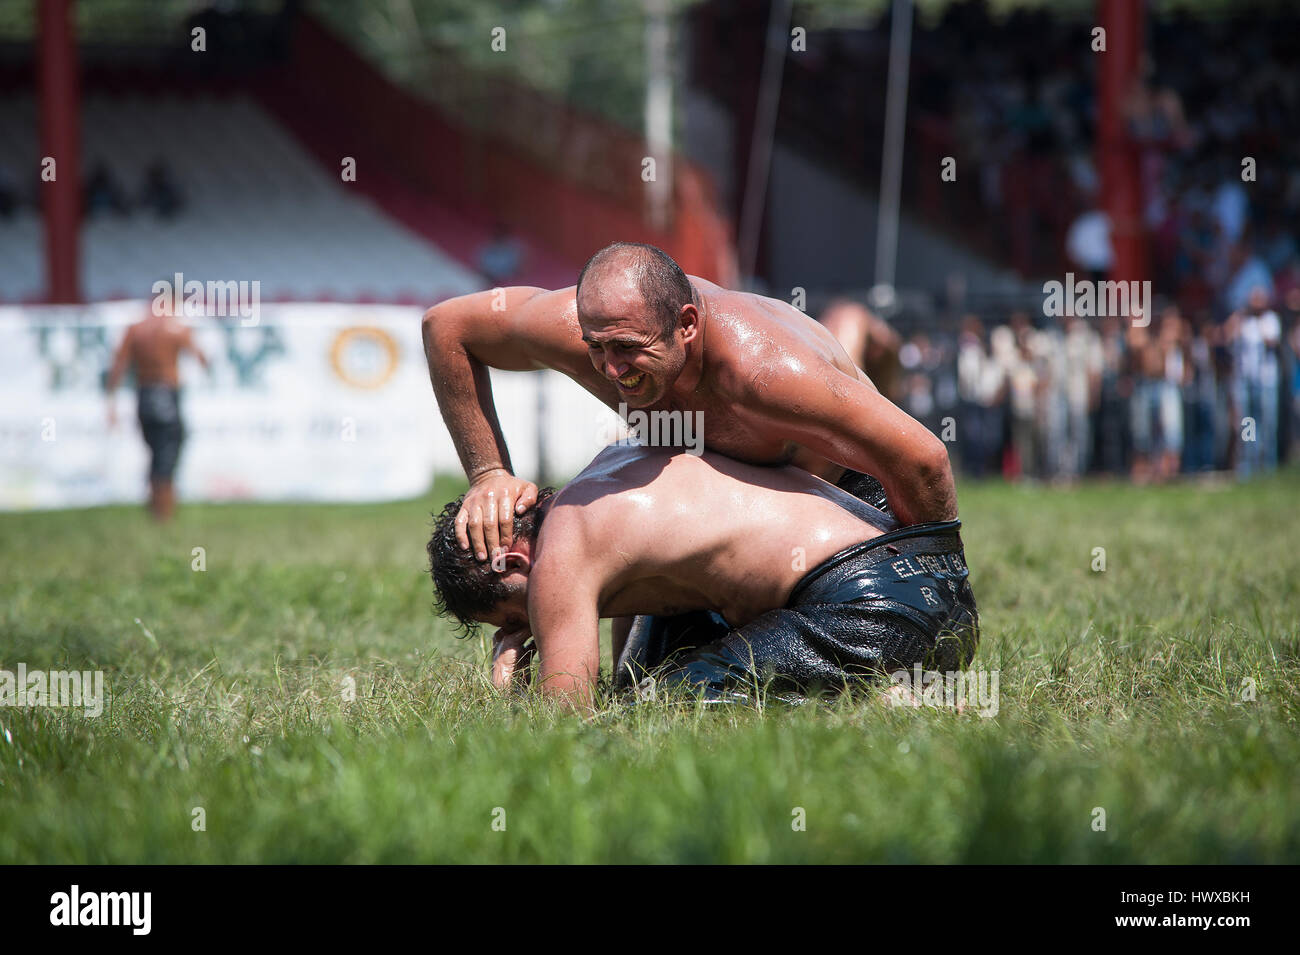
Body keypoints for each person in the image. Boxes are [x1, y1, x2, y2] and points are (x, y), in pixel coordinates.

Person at [421, 242, 956, 567]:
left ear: (687, 327)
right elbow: (447, 326)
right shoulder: (583, 326)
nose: (610, 370)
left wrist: (937, 593)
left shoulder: (769, 373)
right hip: (717, 497)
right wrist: (489, 473)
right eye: (596, 347)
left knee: (852, 323)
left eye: (628, 350)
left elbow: (922, 457)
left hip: (842, 496)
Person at [427, 444, 979, 710]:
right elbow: (629, 668)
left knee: (656, 710)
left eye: (512, 619)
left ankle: (893, 699)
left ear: (515, 563)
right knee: (642, 690)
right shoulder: (608, 475)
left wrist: (511, 696)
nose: (527, 632)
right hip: (928, 580)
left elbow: (564, 722)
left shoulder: (561, 550)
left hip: (873, 608)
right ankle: (901, 690)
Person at [105, 296, 210, 521]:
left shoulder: (135, 329)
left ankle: (156, 511)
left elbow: (118, 367)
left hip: (144, 395)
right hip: (167, 394)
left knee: (155, 453)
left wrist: (111, 404)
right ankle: (164, 515)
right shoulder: (176, 328)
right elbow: (202, 359)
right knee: (168, 453)